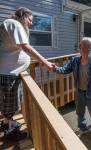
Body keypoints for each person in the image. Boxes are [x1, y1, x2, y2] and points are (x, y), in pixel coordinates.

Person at [0, 7, 52, 138]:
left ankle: (7, 124)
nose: (31, 23)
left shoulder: (9, 24)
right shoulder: (15, 24)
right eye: (30, 19)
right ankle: (11, 133)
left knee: (8, 102)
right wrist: (45, 62)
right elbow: (26, 47)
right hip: (8, 73)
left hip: (9, 72)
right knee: (10, 104)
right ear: (23, 16)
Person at [52, 37, 91, 144]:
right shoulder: (75, 60)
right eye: (80, 45)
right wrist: (56, 69)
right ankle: (83, 128)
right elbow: (65, 69)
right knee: (80, 112)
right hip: (79, 92)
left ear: (89, 47)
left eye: (82, 45)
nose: (79, 47)